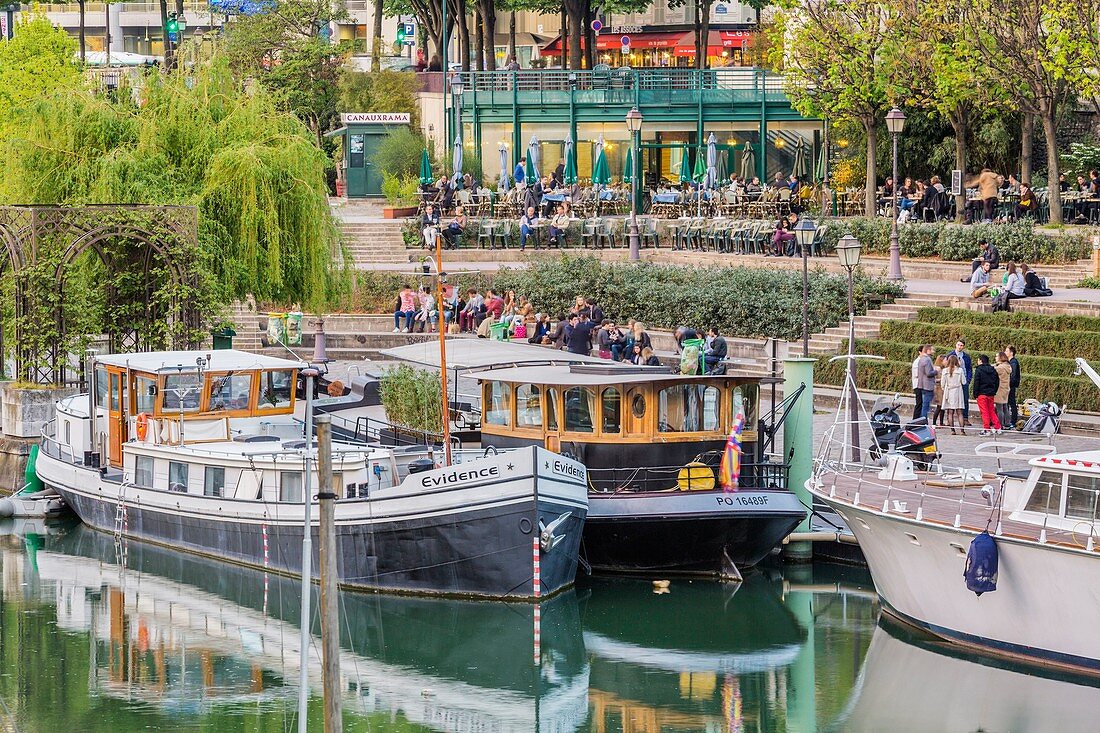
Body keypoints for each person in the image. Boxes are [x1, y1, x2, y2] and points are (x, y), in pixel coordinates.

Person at [972, 354, 1002, 435]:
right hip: (991, 394)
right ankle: (998, 427)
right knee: (991, 411)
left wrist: (975, 394)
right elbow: (997, 381)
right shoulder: (993, 369)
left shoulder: (979, 370)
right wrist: (994, 391)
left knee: (984, 412)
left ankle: (986, 429)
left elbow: (976, 383)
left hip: (981, 394)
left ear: (981, 361)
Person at [941, 354, 966, 435]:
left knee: (950, 412)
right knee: (960, 412)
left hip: (949, 391)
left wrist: (944, 388)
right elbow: (964, 382)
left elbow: (942, 384)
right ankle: (962, 431)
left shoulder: (945, 371)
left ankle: (952, 430)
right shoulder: (960, 370)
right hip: (958, 392)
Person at [951, 340, 974, 425]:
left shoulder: (966, 356)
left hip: (964, 380)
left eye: (961, 345)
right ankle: (950, 418)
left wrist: (968, 380)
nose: (959, 347)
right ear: (955, 345)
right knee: (951, 399)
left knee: (965, 399)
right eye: (958, 345)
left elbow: (969, 369)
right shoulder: (951, 355)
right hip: (953, 381)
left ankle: (965, 418)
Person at [913, 344, 936, 420]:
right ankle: (921, 422)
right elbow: (928, 373)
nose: (934, 351)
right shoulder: (926, 359)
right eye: (932, 349)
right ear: (928, 350)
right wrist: (936, 371)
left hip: (922, 385)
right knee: (924, 406)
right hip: (925, 386)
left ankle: (920, 421)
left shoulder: (922, 359)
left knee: (923, 406)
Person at [994, 351, 1013, 431]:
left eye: (996, 356)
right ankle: (1008, 423)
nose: (995, 358)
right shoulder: (1007, 366)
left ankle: (1000, 425)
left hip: (999, 389)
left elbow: (993, 370)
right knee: (1005, 407)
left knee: (999, 408)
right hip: (1006, 388)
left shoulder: (1000, 368)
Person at [1006, 345, 1021, 429]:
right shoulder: (1010, 362)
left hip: (1011, 385)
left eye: (1007, 351)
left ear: (1011, 353)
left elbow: (1013, 375)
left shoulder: (1013, 362)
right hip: (1010, 385)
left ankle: (1012, 421)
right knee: (1008, 403)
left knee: (1011, 403)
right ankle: (1008, 420)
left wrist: (1009, 383)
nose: (1005, 352)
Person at [931, 355, 946, 426]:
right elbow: (934, 379)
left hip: (942, 388)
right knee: (939, 406)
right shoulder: (937, 369)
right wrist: (941, 379)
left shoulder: (943, 368)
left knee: (942, 406)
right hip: (938, 389)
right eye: (945, 360)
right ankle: (934, 423)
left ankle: (941, 422)